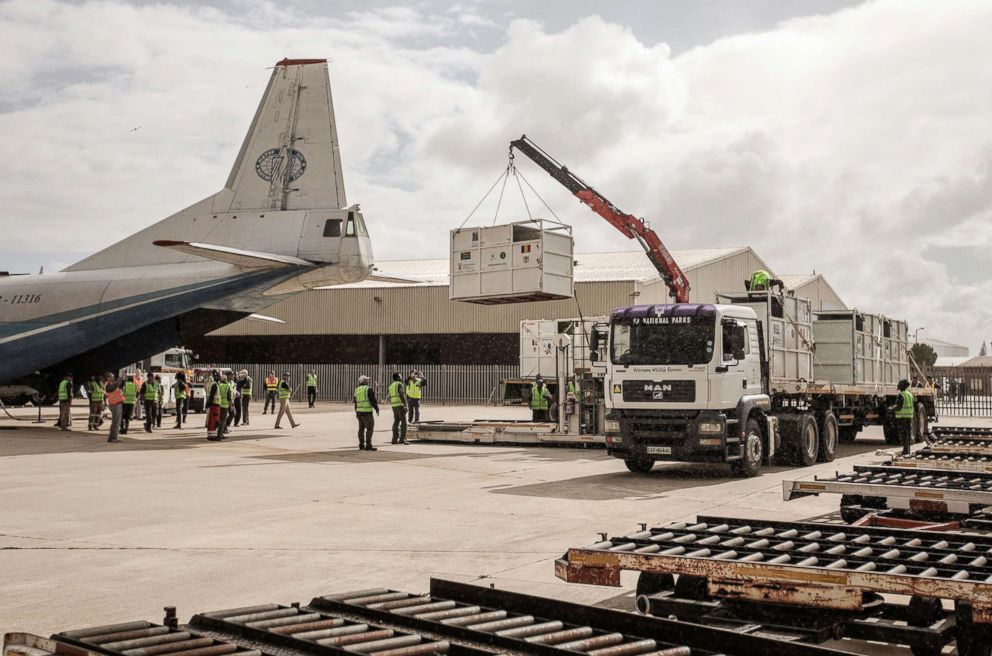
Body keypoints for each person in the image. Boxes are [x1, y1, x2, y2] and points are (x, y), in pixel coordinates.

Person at [890, 379, 915, 456]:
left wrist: (891, 409)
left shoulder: (901, 395)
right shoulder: (910, 394)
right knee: (908, 433)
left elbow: (899, 407)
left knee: (903, 434)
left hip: (902, 417)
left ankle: (905, 450)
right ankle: (908, 449)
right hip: (909, 416)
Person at [354, 375, 379, 451]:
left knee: (361, 429)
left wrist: (356, 411)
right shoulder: (368, 389)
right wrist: (377, 409)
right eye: (366, 380)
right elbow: (373, 400)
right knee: (369, 428)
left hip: (359, 412)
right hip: (367, 412)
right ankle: (368, 445)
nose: (367, 381)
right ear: (363, 381)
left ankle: (361, 445)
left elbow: (355, 402)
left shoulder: (356, 390)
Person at [388, 372, 409, 445]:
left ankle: (394, 439)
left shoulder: (391, 386)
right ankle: (402, 439)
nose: (401, 377)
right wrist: (405, 405)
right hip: (400, 405)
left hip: (394, 406)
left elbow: (390, 397)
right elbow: (402, 395)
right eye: (400, 376)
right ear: (397, 378)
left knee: (396, 422)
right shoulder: (399, 384)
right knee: (404, 423)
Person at [104, 372, 124, 443]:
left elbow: (119, 385)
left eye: (113, 376)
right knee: (115, 422)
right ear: (108, 378)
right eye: (111, 376)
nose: (113, 377)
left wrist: (122, 379)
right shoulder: (108, 385)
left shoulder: (113, 384)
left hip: (117, 404)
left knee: (117, 422)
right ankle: (112, 438)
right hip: (114, 404)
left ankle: (113, 437)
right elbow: (112, 388)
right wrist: (118, 381)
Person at [205, 370, 223, 441]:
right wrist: (209, 404)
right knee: (214, 421)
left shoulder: (214, 384)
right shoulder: (215, 385)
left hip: (213, 405)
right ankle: (213, 436)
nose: (220, 377)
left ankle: (211, 435)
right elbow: (212, 395)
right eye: (219, 376)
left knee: (212, 421)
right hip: (214, 405)